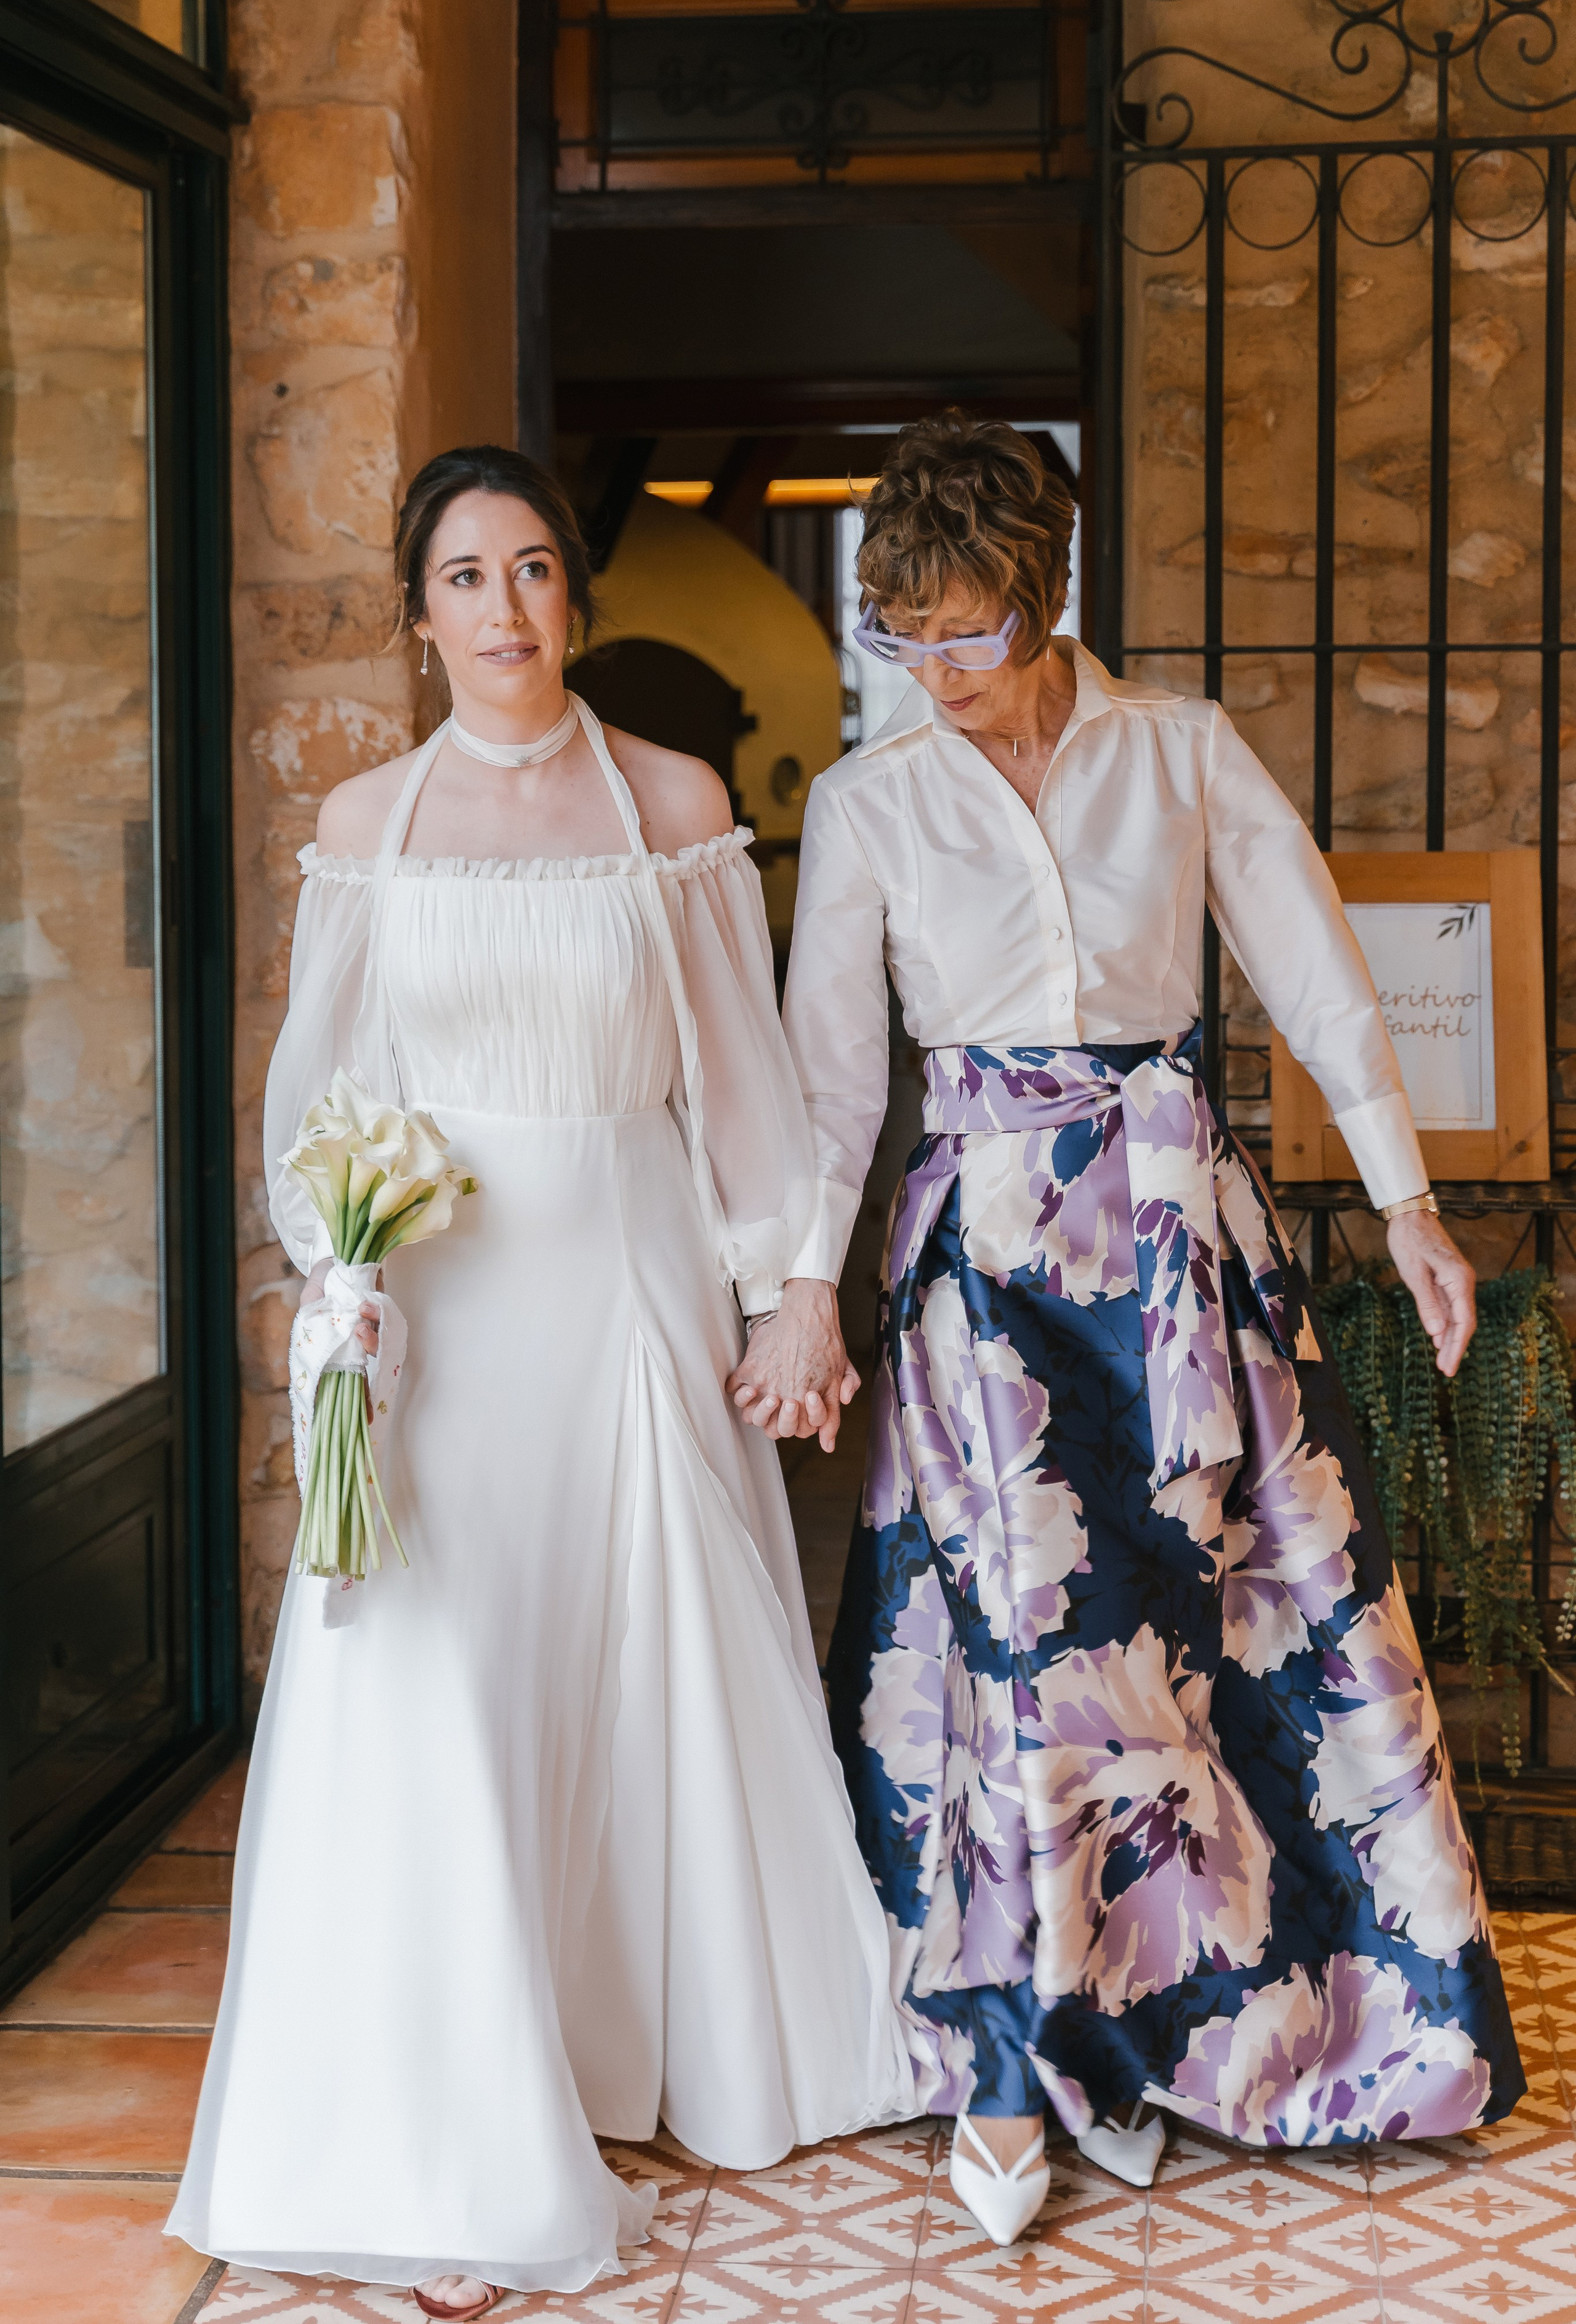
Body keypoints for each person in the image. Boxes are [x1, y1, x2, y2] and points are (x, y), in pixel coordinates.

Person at [730, 411, 1523, 2248]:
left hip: (1176, 1246)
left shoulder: (1179, 750)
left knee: (1208, 1639)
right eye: (900, 636)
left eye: (969, 634)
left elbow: (1313, 961)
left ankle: (1162, 2036)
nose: (936, 676)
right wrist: (797, 1280)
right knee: (1022, 1656)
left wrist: (1407, 1197)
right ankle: (1015, 2062)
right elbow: (836, 1081)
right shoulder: (870, 806)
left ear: (1048, 591)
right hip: (989, 1274)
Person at [167, 445, 911, 2316]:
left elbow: (742, 1085)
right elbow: (315, 1103)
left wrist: (784, 1295)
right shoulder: (369, 822)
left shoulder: (669, 802)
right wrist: (340, 1286)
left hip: (635, 1294)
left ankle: (644, 2050)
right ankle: (458, 2120)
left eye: (534, 572)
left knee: (642, 1663)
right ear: (419, 618)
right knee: (444, 1686)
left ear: (572, 595)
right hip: (448, 1317)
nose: (506, 609)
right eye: (467, 578)